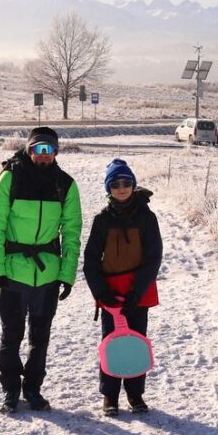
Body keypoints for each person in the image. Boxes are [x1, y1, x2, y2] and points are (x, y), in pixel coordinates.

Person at [0, 127, 81, 413]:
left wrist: (66, 274)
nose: (43, 156)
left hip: (48, 276)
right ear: (28, 149)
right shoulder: (9, 179)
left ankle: (33, 390)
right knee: (11, 335)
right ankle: (11, 390)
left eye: (49, 150)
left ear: (56, 152)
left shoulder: (65, 185)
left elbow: (72, 233)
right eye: (38, 149)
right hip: (13, 274)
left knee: (41, 338)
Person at [83, 159, 163, 417]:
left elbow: (153, 258)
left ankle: (135, 393)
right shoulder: (102, 220)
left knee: (136, 342)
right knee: (112, 342)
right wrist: (101, 292)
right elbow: (91, 260)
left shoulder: (147, 218)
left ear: (133, 184)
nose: (121, 188)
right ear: (109, 188)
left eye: (126, 182)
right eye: (115, 184)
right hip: (111, 293)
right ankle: (109, 395)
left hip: (138, 291)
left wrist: (136, 293)